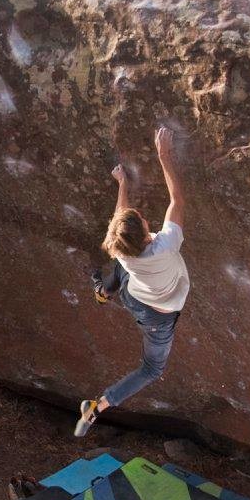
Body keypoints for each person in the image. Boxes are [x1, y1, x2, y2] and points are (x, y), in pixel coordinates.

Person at [75, 126, 189, 437]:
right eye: (139, 217)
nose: (140, 214)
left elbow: (120, 218)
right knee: (152, 369)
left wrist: (123, 183)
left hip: (136, 297)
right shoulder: (166, 245)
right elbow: (177, 199)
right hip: (154, 313)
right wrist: (164, 155)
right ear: (145, 228)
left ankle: (103, 291)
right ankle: (98, 405)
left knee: (121, 266)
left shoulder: (122, 249)